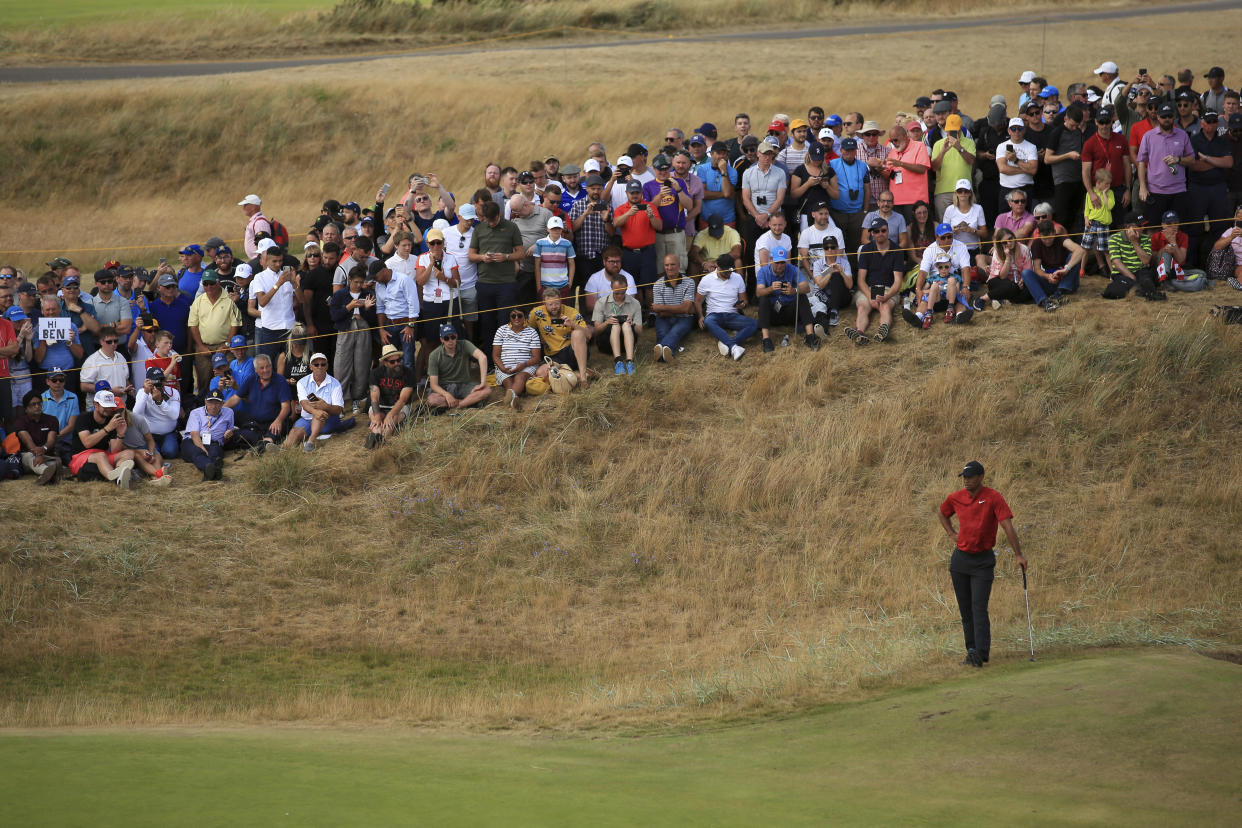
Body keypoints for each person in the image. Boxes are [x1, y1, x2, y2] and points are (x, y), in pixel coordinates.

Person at [938, 460, 1027, 668]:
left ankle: (981, 653)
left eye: (970, 477)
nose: (966, 481)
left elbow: (1007, 526)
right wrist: (951, 533)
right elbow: (942, 512)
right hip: (960, 560)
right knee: (966, 609)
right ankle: (971, 651)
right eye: (964, 477)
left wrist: (1019, 555)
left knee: (979, 607)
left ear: (980, 477)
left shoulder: (993, 497)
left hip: (982, 561)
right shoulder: (956, 498)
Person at [468, 200, 525, 362]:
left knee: (505, 321)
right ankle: (490, 360)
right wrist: (482, 257)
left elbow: (520, 253)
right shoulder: (479, 229)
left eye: (494, 220)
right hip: (485, 283)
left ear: (499, 215)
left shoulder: (511, 227)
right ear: (484, 218)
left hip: (506, 283)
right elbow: (471, 256)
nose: (491, 224)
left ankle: (506, 357)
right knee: (487, 323)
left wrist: (506, 257)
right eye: (488, 221)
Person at [846, 217, 904, 344]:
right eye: (876, 231)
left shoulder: (897, 250)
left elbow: (898, 281)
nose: (880, 234)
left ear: (888, 231)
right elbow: (861, 280)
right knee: (862, 307)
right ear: (872, 234)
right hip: (869, 288)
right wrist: (870, 296)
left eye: (883, 230)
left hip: (888, 289)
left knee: (885, 306)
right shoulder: (866, 249)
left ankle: (883, 331)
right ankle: (859, 333)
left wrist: (887, 296)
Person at [328, 266, 378, 412]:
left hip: (363, 327)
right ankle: (340, 399)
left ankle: (358, 396)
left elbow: (373, 319)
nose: (358, 285)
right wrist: (349, 307)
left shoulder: (368, 293)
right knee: (341, 364)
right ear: (349, 280)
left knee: (362, 363)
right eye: (356, 282)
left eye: (361, 282)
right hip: (345, 329)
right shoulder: (340, 295)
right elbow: (334, 316)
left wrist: (367, 309)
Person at [69, 389, 138, 489]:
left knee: (129, 453)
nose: (109, 409)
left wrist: (120, 434)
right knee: (100, 455)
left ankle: (120, 473)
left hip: (103, 456)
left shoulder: (111, 421)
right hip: (80, 457)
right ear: (96, 405)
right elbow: (87, 443)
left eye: (110, 406)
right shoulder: (83, 418)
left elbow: (115, 450)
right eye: (105, 406)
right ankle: (117, 480)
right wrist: (108, 428)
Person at [187, 270, 242, 394]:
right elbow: (193, 325)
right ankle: (204, 407)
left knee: (227, 378)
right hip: (204, 347)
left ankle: (229, 406)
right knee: (204, 380)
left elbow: (235, 324)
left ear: (218, 283)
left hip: (224, 346)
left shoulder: (229, 300)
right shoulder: (198, 301)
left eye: (211, 283)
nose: (208, 287)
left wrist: (227, 345)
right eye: (205, 284)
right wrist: (200, 346)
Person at [1137, 102, 1194, 219]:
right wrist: (1142, 186)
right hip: (1155, 191)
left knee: (1178, 229)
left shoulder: (1182, 135)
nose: (1166, 119)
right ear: (1158, 117)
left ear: (1174, 117)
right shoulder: (1148, 136)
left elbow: (1192, 160)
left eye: (1169, 116)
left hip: (1178, 190)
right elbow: (1141, 162)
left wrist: (1178, 159)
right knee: (1154, 229)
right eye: (1163, 116)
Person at [754, 247, 818, 351]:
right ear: (771, 260)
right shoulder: (763, 271)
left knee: (801, 295)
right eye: (777, 262)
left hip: (789, 311)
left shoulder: (793, 269)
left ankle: (810, 336)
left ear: (786, 261)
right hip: (772, 313)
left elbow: (807, 288)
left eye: (782, 262)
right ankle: (766, 339)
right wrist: (770, 288)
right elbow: (758, 292)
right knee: (763, 298)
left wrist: (794, 290)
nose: (780, 265)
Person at [696, 254, 756, 361]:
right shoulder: (706, 279)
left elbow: (744, 300)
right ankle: (734, 347)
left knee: (753, 324)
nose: (729, 274)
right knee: (708, 321)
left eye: (730, 271)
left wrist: (742, 305)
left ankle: (730, 344)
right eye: (726, 272)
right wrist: (700, 316)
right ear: (717, 266)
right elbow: (698, 301)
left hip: (732, 314)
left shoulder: (738, 278)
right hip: (714, 315)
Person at [1026, 203, 1085, 309]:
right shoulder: (1036, 243)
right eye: (1044, 239)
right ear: (1039, 236)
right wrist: (1047, 276)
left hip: (1066, 278)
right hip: (1049, 278)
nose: (1047, 241)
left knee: (1073, 255)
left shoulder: (1061, 238)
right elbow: (1037, 268)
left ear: (1054, 233)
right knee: (1026, 273)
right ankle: (1044, 301)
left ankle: (1061, 292)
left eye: (1050, 238)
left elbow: (1080, 251)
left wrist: (1066, 269)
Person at [285, 352, 347, 452]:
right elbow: (304, 403)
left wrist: (326, 406)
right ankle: (283, 449)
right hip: (307, 419)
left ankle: (311, 441)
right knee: (294, 432)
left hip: (328, 419)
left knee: (320, 414)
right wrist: (315, 411)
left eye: (323, 364)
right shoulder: (302, 382)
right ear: (310, 367)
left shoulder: (335, 384)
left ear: (327, 366)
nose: (320, 367)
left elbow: (339, 409)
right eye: (316, 364)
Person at [529, 288, 590, 386]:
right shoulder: (536, 313)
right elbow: (526, 330)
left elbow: (588, 335)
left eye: (557, 303)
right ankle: (581, 374)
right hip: (553, 356)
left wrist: (573, 325)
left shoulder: (571, 311)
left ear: (561, 300)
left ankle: (583, 379)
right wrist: (537, 337)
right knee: (540, 373)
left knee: (577, 333)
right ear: (544, 303)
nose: (554, 307)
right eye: (550, 304)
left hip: (573, 352)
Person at [233, 354, 292, 452]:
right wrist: (221, 409)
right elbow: (236, 398)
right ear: (256, 370)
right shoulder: (251, 379)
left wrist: (278, 420)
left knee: (273, 432)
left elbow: (286, 407)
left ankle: (265, 443)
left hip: (275, 421)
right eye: (262, 368)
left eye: (268, 366)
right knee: (231, 413)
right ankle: (261, 443)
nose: (266, 370)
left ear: (271, 366)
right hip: (255, 422)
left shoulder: (280, 381)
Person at [250, 246, 299, 363]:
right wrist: (278, 284)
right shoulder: (259, 277)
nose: (278, 264)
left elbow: (301, 300)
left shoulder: (287, 275)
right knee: (267, 364)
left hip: (288, 328)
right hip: (270, 329)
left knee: (290, 364)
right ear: (266, 261)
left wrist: (294, 283)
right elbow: (262, 302)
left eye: (280, 261)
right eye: (274, 261)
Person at [425, 327, 490, 415]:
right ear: (441, 340)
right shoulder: (434, 355)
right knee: (432, 399)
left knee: (486, 390)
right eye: (446, 338)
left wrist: (483, 382)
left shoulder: (465, 344)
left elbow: (483, 357)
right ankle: (469, 402)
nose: (450, 340)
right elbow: (433, 385)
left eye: (453, 337)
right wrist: (447, 395)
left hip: (463, 385)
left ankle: (458, 405)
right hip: (444, 387)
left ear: (456, 336)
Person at [366, 344, 417, 448]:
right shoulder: (375, 373)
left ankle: (379, 442)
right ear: (385, 363)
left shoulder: (408, 373)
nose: (397, 364)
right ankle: (376, 440)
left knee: (390, 422)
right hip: (381, 405)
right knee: (377, 423)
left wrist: (390, 414)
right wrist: (376, 415)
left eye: (399, 360)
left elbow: (403, 400)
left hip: (400, 407)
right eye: (392, 362)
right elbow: (374, 396)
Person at [649, 254, 697, 363]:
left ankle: (662, 350)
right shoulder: (657, 284)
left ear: (679, 265)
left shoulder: (689, 282)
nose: (669, 268)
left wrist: (661, 307)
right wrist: (680, 309)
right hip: (665, 318)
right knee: (662, 333)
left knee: (675, 332)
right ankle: (667, 352)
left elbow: (686, 309)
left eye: (672, 264)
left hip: (684, 318)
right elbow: (660, 313)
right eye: (666, 265)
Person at [591, 276, 643, 375]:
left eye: (623, 292)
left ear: (627, 288)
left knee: (626, 325)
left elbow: (640, 332)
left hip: (627, 341)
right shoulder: (601, 302)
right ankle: (618, 361)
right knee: (615, 325)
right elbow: (596, 331)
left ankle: (629, 361)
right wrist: (607, 322)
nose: (619, 296)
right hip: (606, 343)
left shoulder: (635, 303)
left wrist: (632, 323)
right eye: (616, 293)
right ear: (611, 288)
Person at [492, 307, 542, 408]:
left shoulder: (532, 332)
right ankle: (513, 400)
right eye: (513, 316)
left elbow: (536, 358)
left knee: (520, 377)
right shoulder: (501, 330)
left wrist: (523, 365)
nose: (516, 318)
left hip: (526, 365)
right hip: (504, 366)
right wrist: (502, 368)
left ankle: (510, 399)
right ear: (509, 318)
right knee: (508, 382)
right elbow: (495, 355)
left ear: (525, 318)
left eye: (519, 316)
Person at [13, 390, 62, 484]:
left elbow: (51, 440)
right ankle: (46, 472)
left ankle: (50, 472)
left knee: (56, 462)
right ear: (26, 408)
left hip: (46, 455)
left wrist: (43, 449)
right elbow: (28, 441)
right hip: (28, 455)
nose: (37, 406)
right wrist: (38, 454)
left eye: (39, 403)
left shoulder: (52, 420)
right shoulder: (20, 422)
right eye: (33, 404)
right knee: (29, 456)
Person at [133, 367, 182, 459]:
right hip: (150, 434)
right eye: (155, 380)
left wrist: (160, 402)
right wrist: (146, 393)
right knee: (154, 453)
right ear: (148, 381)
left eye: (161, 379)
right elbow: (136, 414)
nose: (159, 383)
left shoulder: (173, 392)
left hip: (169, 432)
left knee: (170, 452)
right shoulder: (142, 392)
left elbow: (175, 415)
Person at [997, 117, 1039, 212]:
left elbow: (1033, 170)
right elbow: (1003, 169)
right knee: (1004, 221)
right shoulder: (1001, 146)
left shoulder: (1031, 147)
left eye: (1019, 128)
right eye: (1013, 128)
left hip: (1025, 188)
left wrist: (1015, 160)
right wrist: (1025, 169)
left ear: (1023, 130)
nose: (1016, 131)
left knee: (1026, 220)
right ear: (1009, 131)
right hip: (1007, 189)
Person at [1083, 168, 1116, 277]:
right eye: (1106, 184)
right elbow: (1087, 209)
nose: (1109, 186)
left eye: (1109, 184)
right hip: (1092, 224)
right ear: (1098, 182)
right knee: (1086, 248)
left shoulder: (1110, 193)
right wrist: (1086, 219)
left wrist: (1104, 193)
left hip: (1103, 225)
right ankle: (1081, 270)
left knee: (1106, 250)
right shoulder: (1090, 193)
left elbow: (1109, 206)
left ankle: (1112, 273)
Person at [239, 194, 272, 260]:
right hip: (258, 260)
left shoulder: (260, 222)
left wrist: (260, 261)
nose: (243, 208)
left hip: (260, 260)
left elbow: (264, 246)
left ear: (253, 207)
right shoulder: (255, 221)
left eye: (245, 205)